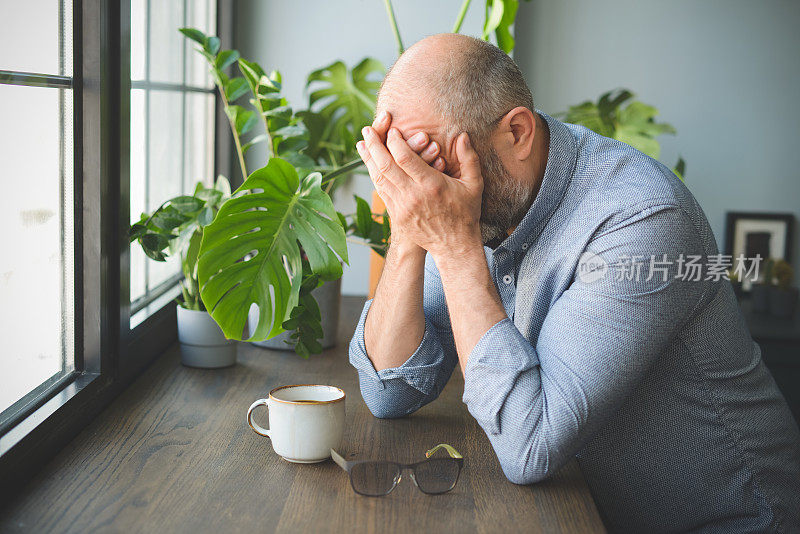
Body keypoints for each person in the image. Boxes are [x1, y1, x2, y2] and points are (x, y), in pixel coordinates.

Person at [348, 33, 800, 533]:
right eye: (404, 165)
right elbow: (388, 392)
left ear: (516, 132)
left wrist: (454, 247)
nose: (421, 186)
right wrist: (410, 231)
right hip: (588, 510)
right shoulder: (460, 202)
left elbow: (530, 444)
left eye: (430, 164)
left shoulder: (642, 218)